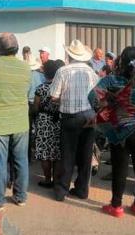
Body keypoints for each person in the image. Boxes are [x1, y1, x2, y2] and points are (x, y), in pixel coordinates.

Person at [88, 47, 135, 218]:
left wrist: (104, 112)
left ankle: (116, 206)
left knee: (120, 169)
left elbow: (93, 97)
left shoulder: (112, 80)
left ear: (121, 60)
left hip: (119, 130)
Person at [0, 33, 31, 211]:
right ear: (17, 48)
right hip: (20, 120)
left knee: (0, 162)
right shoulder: (26, 68)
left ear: (0, 49)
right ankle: (20, 197)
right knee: (21, 160)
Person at [50, 39, 98, 202]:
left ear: (69, 54)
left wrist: (65, 98)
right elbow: (97, 96)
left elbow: (54, 96)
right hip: (89, 117)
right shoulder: (92, 72)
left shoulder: (62, 71)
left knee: (67, 155)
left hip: (70, 118)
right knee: (85, 155)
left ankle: (61, 191)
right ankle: (82, 190)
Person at [32, 60, 63, 188]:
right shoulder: (61, 88)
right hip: (58, 121)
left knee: (44, 153)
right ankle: (56, 180)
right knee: (56, 152)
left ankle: (47, 180)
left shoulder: (40, 88)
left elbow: (35, 107)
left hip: (43, 122)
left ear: (45, 73)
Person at [27, 56, 45, 162]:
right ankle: (39, 154)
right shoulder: (41, 76)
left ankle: (28, 156)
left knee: (28, 132)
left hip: (28, 105)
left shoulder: (24, 77)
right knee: (39, 130)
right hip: (39, 105)